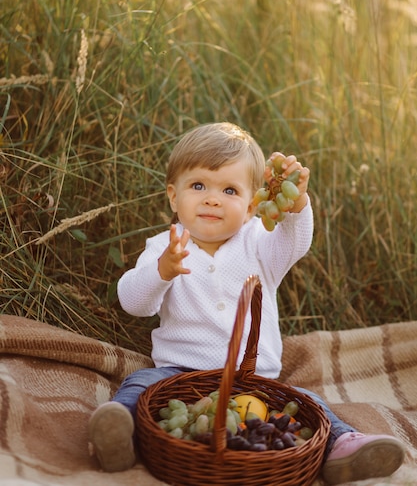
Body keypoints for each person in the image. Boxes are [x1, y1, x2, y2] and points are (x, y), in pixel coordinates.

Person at [88, 122, 405, 484]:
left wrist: (298, 202)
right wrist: (163, 271)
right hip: (178, 374)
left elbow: (295, 241)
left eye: (229, 189)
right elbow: (132, 301)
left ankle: (342, 447)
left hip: (254, 381)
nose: (212, 198)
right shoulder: (165, 246)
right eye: (198, 186)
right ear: (174, 197)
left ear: (253, 204)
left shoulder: (258, 242)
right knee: (138, 383)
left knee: (305, 403)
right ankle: (118, 435)